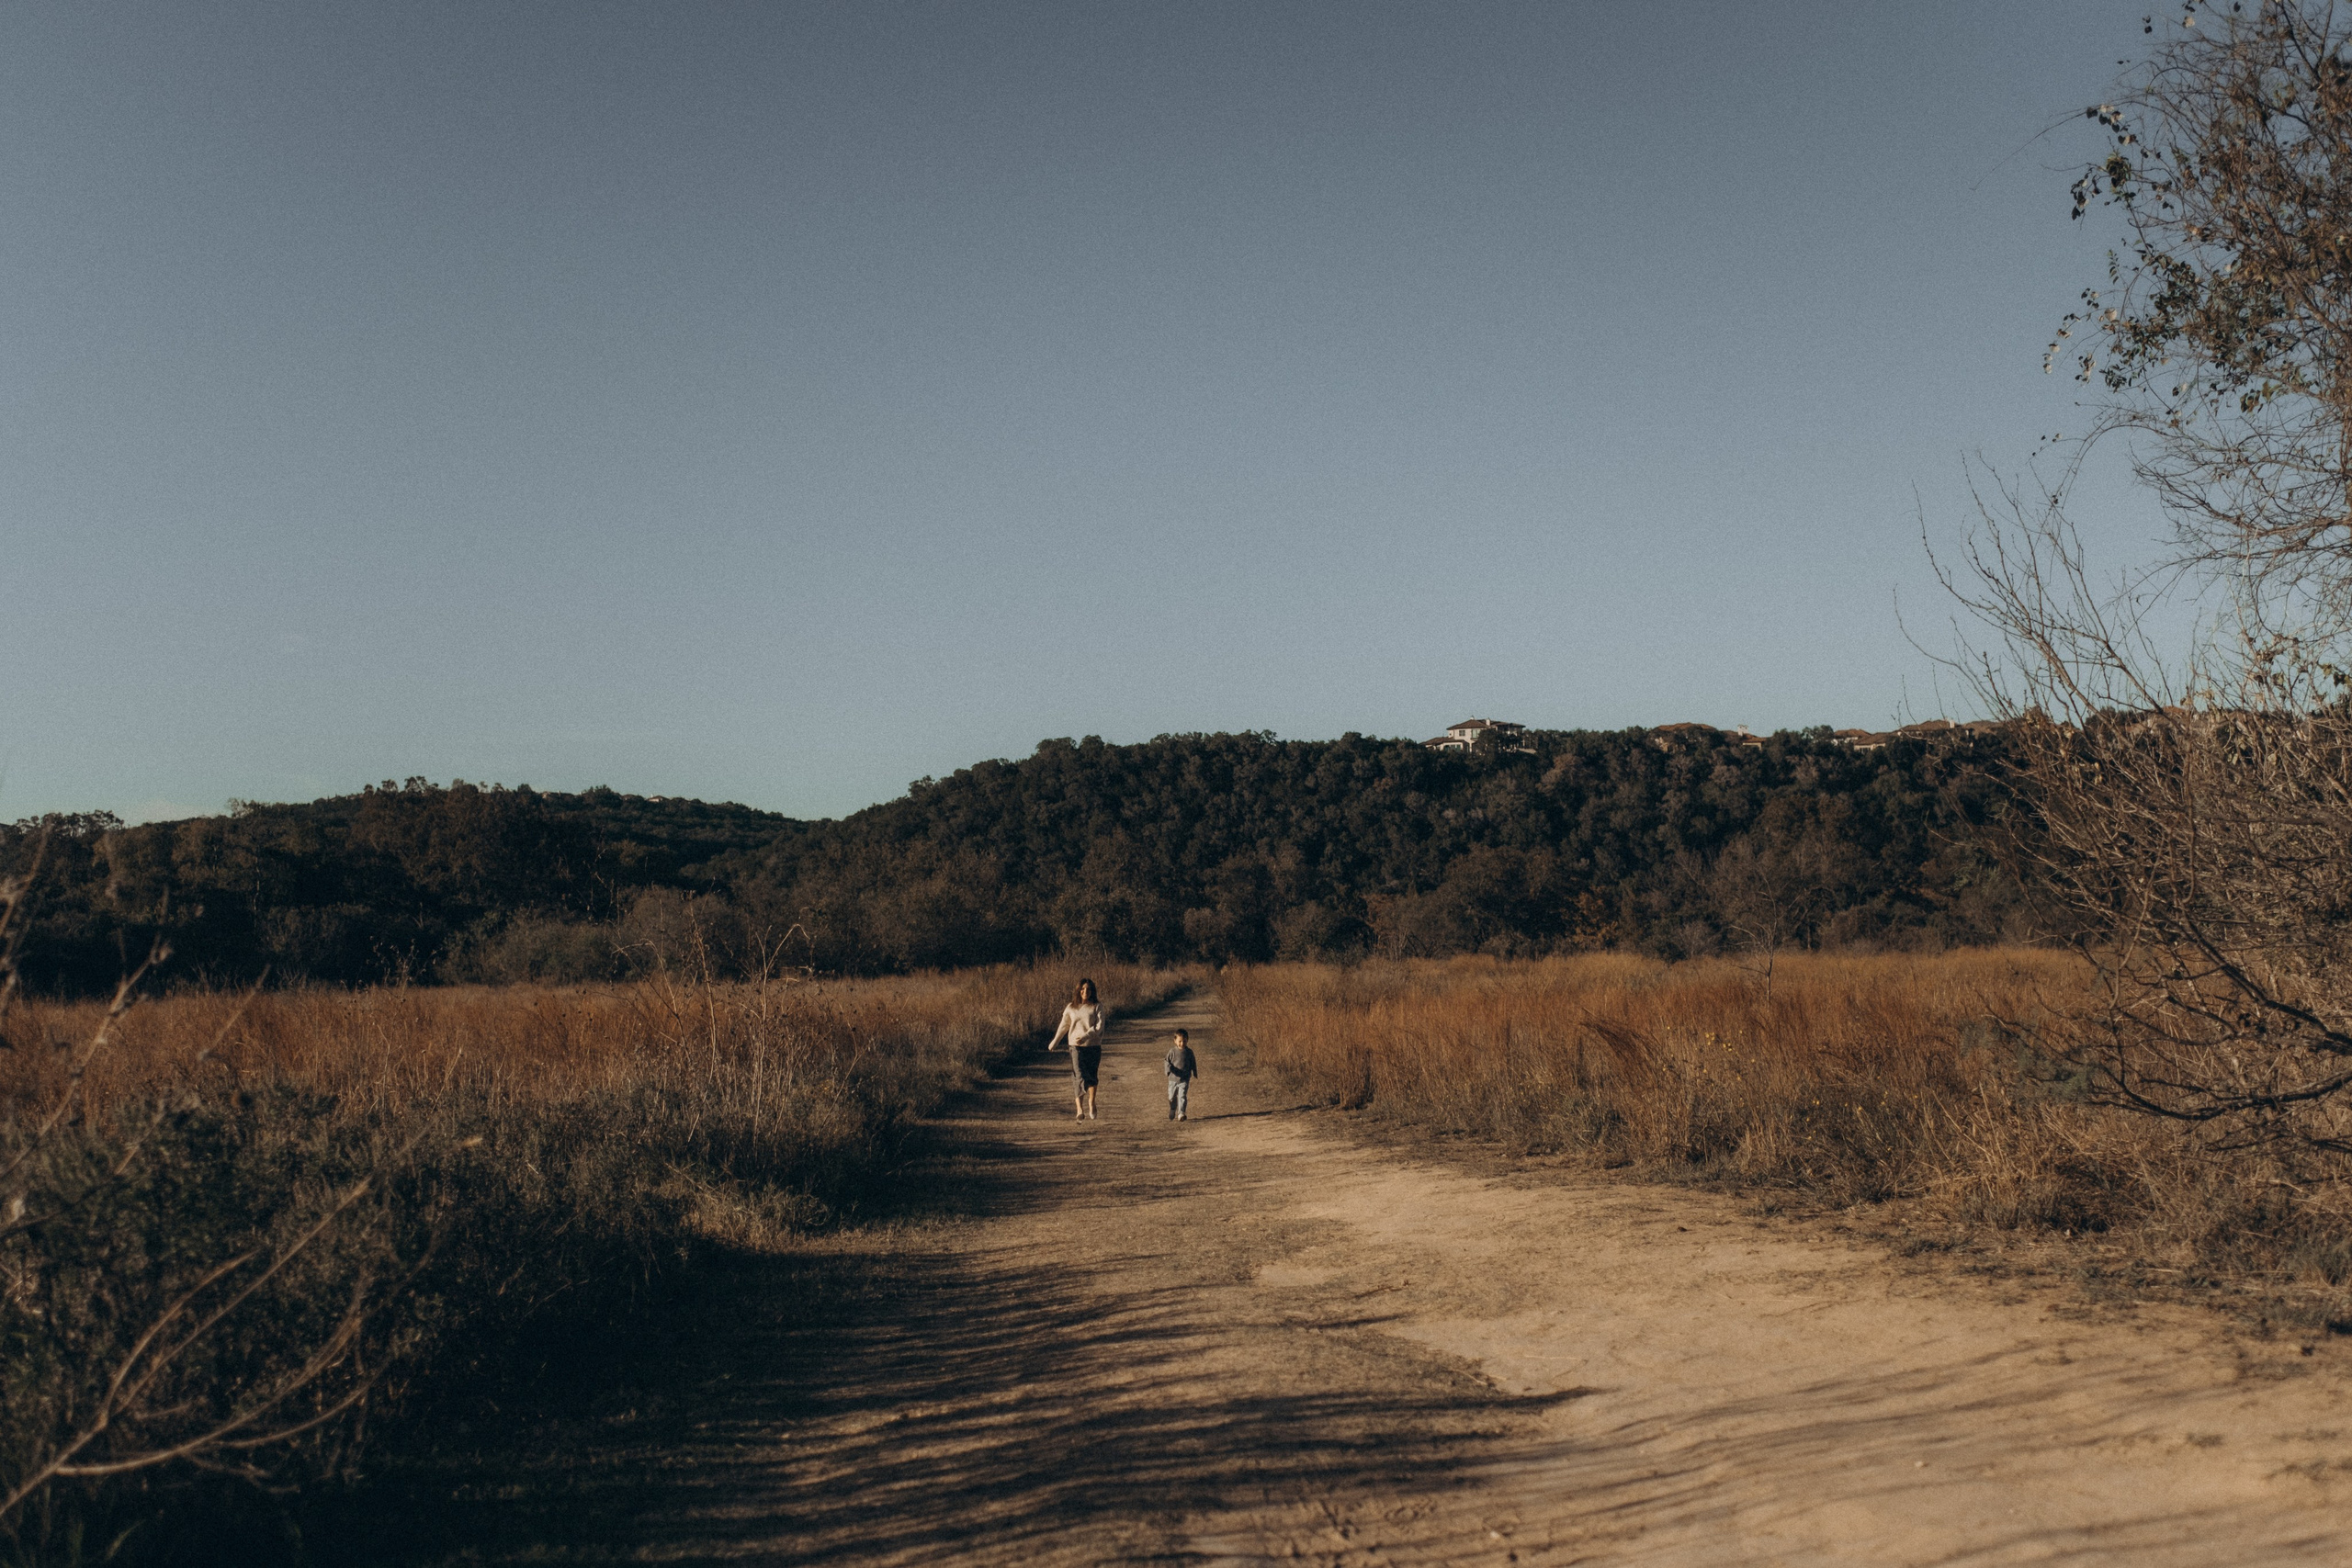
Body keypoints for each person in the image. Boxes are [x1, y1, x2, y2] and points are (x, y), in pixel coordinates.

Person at [1046, 977, 1105, 1121]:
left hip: (1093, 1046)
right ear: (1078, 990)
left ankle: (1091, 1102)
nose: (1086, 992)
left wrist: (1086, 1036)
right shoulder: (1071, 1007)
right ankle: (1079, 1109)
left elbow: (1099, 1027)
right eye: (1083, 989)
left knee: (1091, 1076)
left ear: (1092, 991)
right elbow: (1064, 1026)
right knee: (1078, 1076)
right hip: (1075, 1047)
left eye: (1089, 989)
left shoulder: (1097, 1006)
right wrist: (1055, 1041)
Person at [1164, 1027, 1200, 1121]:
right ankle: (1172, 1108)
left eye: (1184, 1041)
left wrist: (1194, 1072)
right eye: (1180, 1041)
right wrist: (1168, 1071)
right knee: (1172, 1097)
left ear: (1187, 1040)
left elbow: (1193, 1062)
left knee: (1182, 1096)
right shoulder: (1172, 1052)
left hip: (1184, 1078)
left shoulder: (1189, 1052)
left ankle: (1181, 1113)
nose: (1182, 1043)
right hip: (1173, 1079)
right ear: (1175, 1041)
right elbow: (1166, 1062)